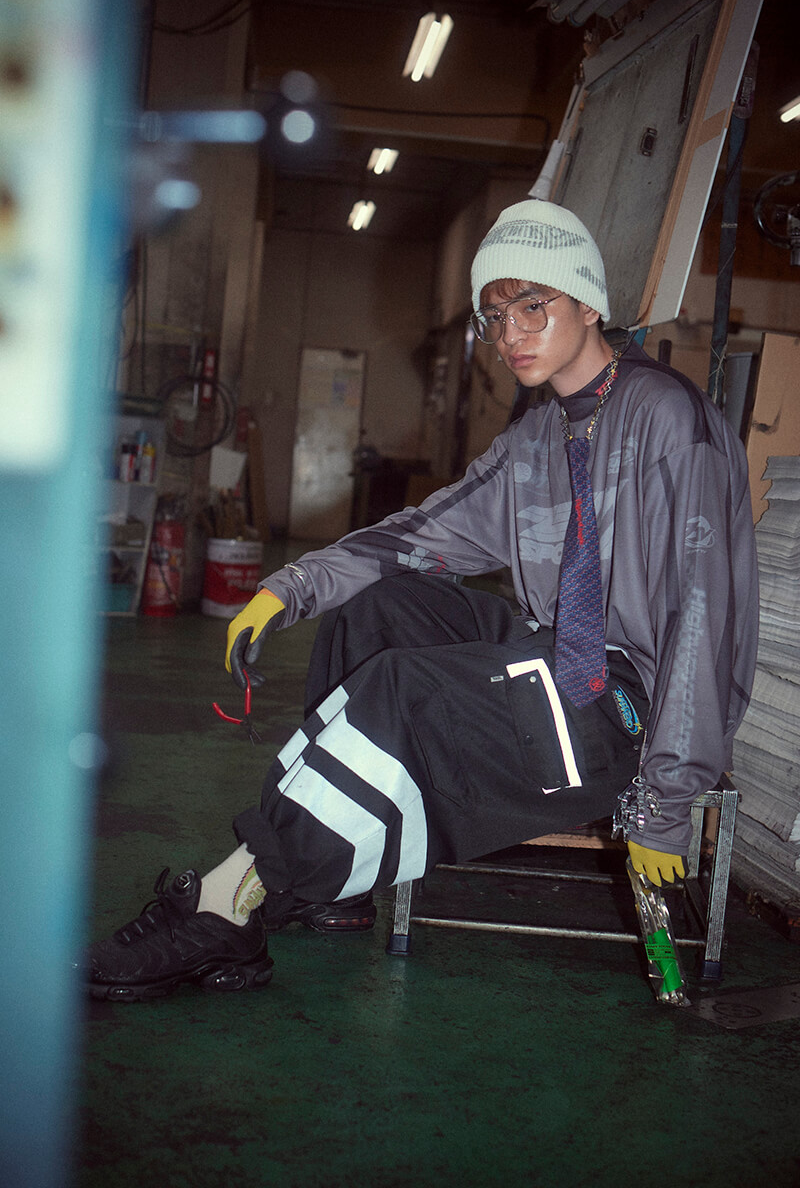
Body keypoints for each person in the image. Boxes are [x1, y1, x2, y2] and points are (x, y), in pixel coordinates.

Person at [84, 200, 759, 1002]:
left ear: (588, 303)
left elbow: (704, 621)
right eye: (494, 317)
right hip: (560, 652)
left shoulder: (667, 420)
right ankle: (335, 884)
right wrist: (292, 587)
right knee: (381, 612)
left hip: (631, 708)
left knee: (403, 688)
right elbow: (421, 533)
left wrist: (666, 803)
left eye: (532, 306)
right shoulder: (537, 438)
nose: (511, 334)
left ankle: (230, 901)